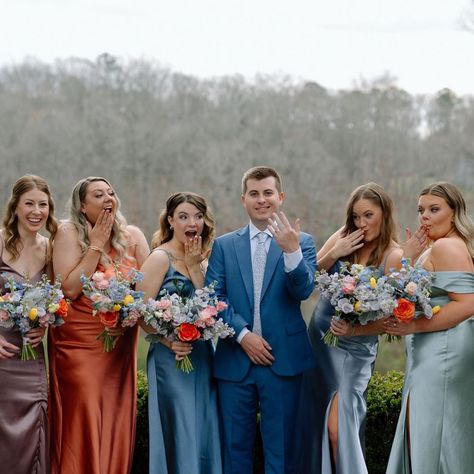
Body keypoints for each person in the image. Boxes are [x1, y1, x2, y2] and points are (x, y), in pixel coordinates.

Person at [205, 166, 316, 474]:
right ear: (244, 200)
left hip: (283, 361)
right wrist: (242, 336)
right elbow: (215, 298)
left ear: (280, 197)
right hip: (234, 361)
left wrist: (292, 253)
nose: (262, 200)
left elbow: (304, 291)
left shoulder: (302, 241)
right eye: (254, 194)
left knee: (282, 452)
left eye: (268, 193)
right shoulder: (224, 245)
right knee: (234, 450)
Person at [297, 183, 404, 474]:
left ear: (384, 213)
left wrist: (354, 331)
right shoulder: (344, 236)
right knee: (314, 423)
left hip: (354, 352)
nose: (361, 223)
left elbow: (395, 321)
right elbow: (306, 278)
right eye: (356, 216)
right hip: (319, 339)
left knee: (338, 430)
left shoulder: (393, 255)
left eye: (368, 215)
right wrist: (336, 252)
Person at [48, 176, 149, 474]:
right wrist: (95, 246)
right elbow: (68, 289)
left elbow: (148, 291)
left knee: (117, 417)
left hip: (119, 346)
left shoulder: (132, 235)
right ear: (82, 205)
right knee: (85, 413)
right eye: (97, 194)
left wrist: (129, 316)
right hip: (79, 345)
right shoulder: (68, 232)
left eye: (111, 192)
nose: (108, 198)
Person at [385, 182, 474, 474]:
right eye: (421, 210)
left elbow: (468, 304)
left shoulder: (449, 245)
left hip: (445, 351)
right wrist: (407, 257)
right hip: (428, 350)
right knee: (420, 428)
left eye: (434, 209)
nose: (425, 216)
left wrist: (414, 327)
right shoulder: (433, 247)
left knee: (435, 432)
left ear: (454, 213)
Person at [137, 192, 222, 474]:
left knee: (203, 425)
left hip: (201, 356)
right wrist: (168, 340)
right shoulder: (160, 258)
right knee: (181, 426)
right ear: (171, 220)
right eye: (184, 216)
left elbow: (209, 306)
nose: (192, 222)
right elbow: (140, 311)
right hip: (170, 359)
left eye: (198, 216)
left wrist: (196, 266)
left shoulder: (203, 259)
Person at [0, 174, 58, 474]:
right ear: (15, 207)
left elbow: (54, 297)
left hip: (31, 355)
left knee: (35, 422)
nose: (37, 211)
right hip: (3, 353)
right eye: (30, 203)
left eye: (43, 204)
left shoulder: (50, 248)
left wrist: (45, 324)